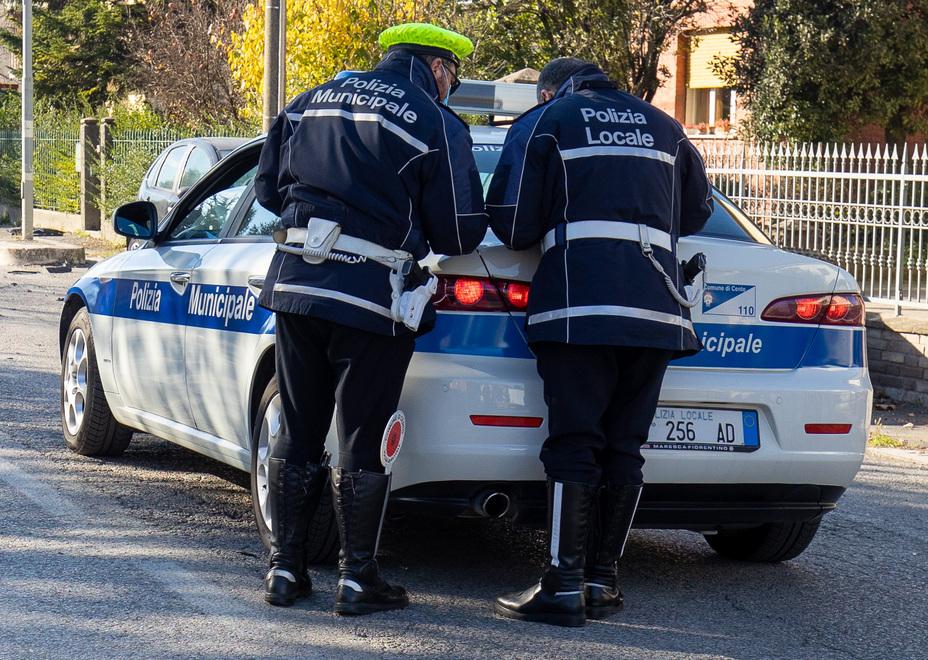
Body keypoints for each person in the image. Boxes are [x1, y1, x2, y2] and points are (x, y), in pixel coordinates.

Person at [254, 22, 487, 616]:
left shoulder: (310, 99)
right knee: (362, 435)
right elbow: (459, 231)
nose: (450, 87)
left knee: (298, 427)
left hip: (298, 284)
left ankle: (284, 570)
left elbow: (267, 190)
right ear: (438, 67)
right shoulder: (435, 120)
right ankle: (357, 579)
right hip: (370, 296)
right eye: (452, 77)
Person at [486, 57, 713, 627]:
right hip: (657, 310)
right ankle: (601, 582)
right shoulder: (664, 124)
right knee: (624, 446)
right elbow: (696, 212)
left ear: (547, 91)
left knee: (574, 441)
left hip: (580, 304)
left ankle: (562, 586)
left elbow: (512, 222)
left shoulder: (549, 119)